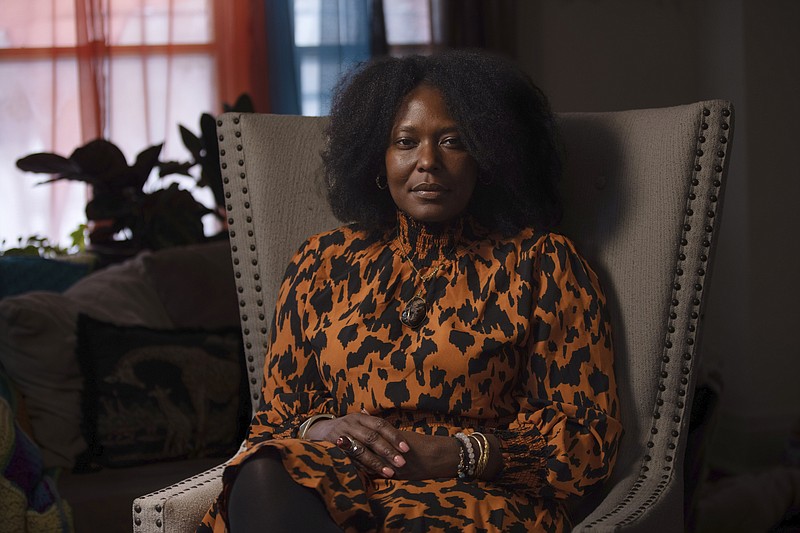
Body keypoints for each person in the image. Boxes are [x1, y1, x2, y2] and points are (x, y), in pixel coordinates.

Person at [199, 50, 622, 533]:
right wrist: (324, 429)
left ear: (488, 156)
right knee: (265, 476)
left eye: (453, 142)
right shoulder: (321, 263)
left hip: (474, 496)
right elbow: (274, 422)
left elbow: (588, 442)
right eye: (405, 142)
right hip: (341, 483)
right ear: (378, 158)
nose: (428, 162)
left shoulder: (542, 265)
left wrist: (458, 453)